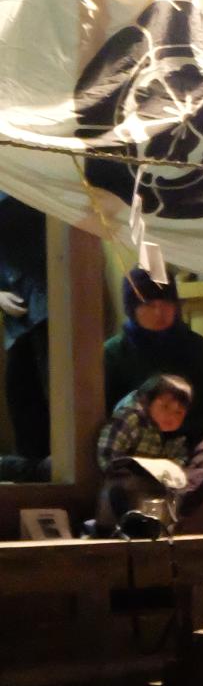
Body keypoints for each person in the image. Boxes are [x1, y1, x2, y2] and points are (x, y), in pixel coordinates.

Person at [103, 269, 203, 510]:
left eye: (166, 303)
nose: (159, 312)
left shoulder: (197, 348)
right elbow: (104, 412)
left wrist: (179, 431)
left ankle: (175, 505)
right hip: (133, 449)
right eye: (149, 304)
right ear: (132, 308)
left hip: (184, 448)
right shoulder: (113, 353)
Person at [94, 371, 197, 535]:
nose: (171, 416)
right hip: (125, 484)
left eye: (179, 413)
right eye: (165, 407)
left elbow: (180, 460)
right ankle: (125, 526)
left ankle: (160, 527)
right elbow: (108, 452)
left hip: (156, 486)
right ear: (147, 401)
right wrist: (126, 470)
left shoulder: (178, 436)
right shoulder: (131, 419)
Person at [0, 192, 51, 476]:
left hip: (46, 297)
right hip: (19, 309)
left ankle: (43, 469)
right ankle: (33, 470)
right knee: (22, 392)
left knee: (46, 390)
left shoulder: (22, 185)